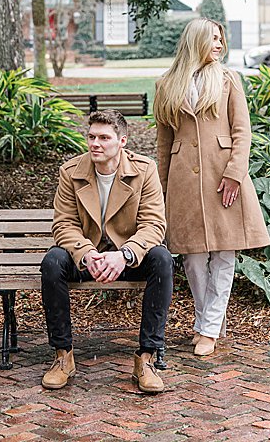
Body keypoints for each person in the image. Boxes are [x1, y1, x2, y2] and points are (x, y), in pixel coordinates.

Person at [154, 17, 269, 357]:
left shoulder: (228, 80)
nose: (219, 44)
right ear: (195, 41)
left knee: (223, 254)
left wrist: (235, 173)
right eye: (213, 38)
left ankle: (208, 328)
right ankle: (205, 321)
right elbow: (163, 143)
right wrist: (161, 189)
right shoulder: (166, 84)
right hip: (184, 182)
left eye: (221, 39)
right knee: (192, 258)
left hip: (223, 178)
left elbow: (242, 131)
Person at [40, 110, 172, 394]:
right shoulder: (71, 172)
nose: (95, 144)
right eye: (91, 137)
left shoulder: (144, 170)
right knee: (52, 261)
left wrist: (124, 254)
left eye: (104, 138)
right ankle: (63, 356)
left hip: (127, 256)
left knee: (161, 259)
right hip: (87, 257)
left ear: (122, 141)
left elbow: (153, 225)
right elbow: (64, 224)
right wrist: (87, 253)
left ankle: (146, 358)